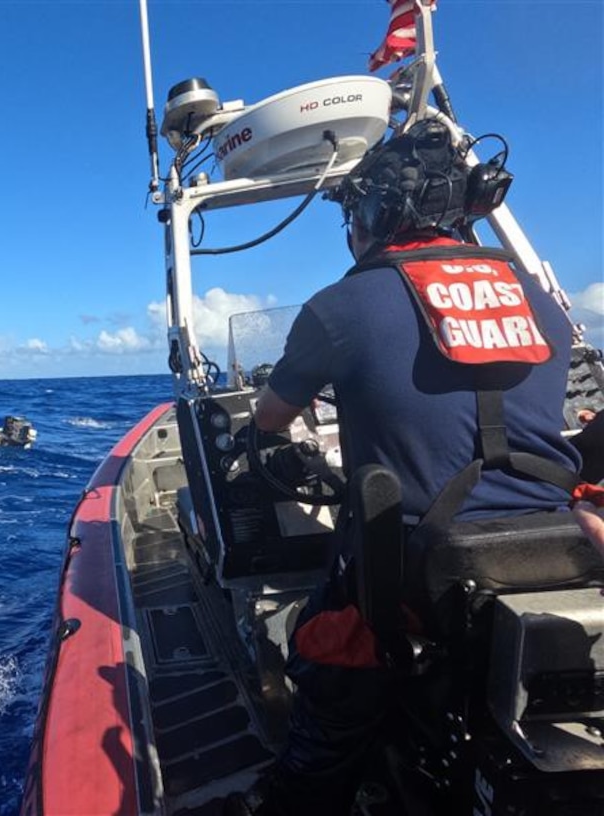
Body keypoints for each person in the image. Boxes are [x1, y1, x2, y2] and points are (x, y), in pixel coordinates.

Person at [245, 119, 583, 815]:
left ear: (376, 214)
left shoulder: (340, 306)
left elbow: (270, 419)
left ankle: (301, 794)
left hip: (419, 570)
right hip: (555, 548)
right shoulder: (542, 300)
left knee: (329, 658)